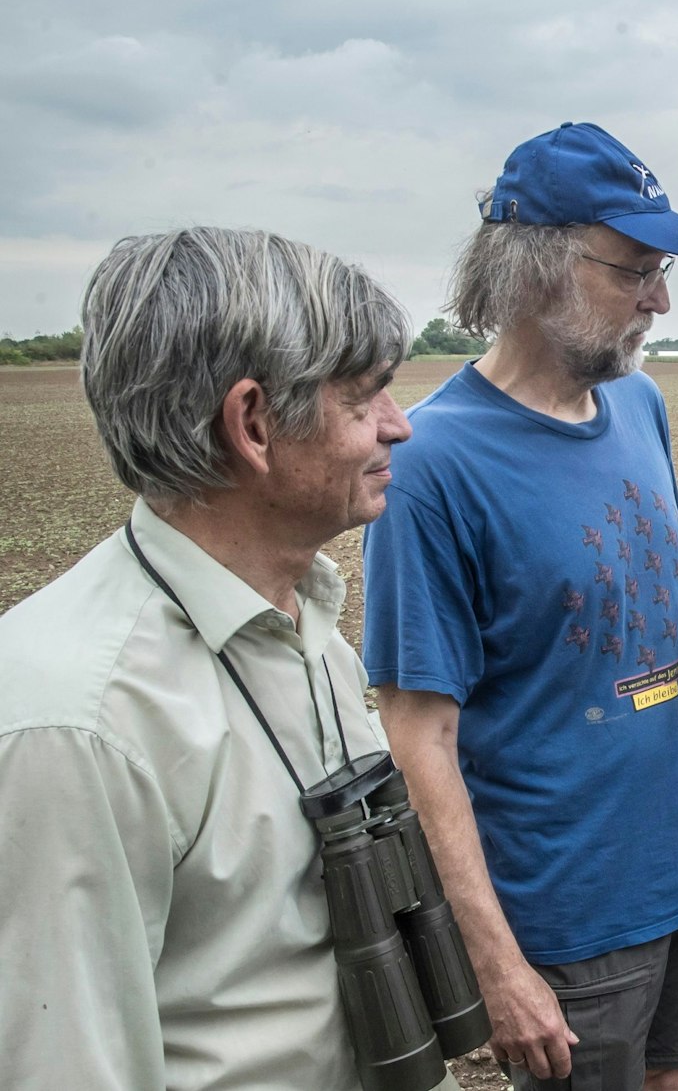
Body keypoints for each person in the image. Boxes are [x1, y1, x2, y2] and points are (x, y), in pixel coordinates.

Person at [0, 228, 445, 1088]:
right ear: (252, 424)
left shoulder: (303, 616)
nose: (399, 426)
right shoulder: (76, 724)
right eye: (364, 400)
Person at [363, 122, 678, 1091]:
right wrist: (495, 963)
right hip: (570, 914)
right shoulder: (431, 466)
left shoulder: (640, 406)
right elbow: (420, 741)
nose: (659, 300)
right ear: (534, 269)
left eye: (663, 271)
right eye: (635, 271)